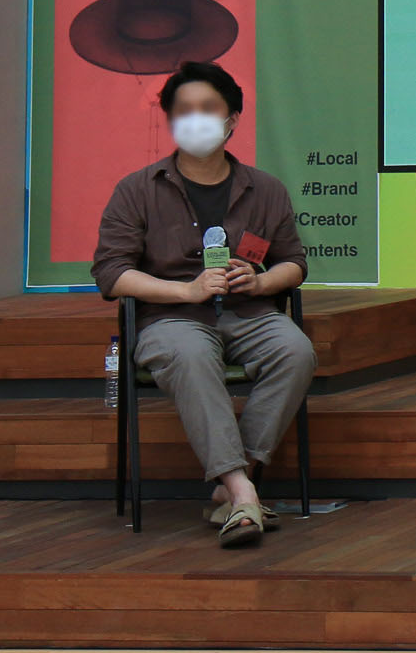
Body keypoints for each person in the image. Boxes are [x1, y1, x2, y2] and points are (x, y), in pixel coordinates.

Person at [91, 59, 316, 547]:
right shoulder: (137, 189)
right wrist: (186, 291)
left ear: (232, 119)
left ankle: (229, 490)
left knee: (296, 350)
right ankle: (242, 490)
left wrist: (260, 281)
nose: (197, 119)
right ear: (171, 121)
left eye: (209, 108)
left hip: (249, 311)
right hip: (171, 318)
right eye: (185, 110)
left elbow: (295, 264)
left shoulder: (266, 189)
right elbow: (111, 273)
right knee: (191, 355)